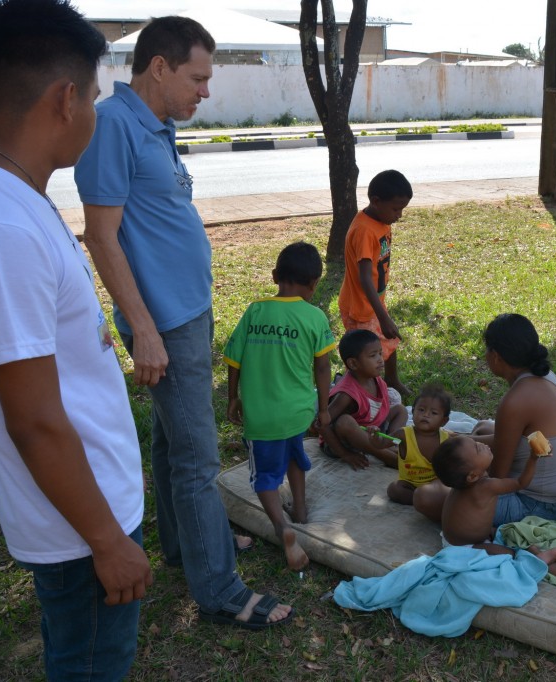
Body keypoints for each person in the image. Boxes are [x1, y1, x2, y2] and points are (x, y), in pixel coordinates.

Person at [0, 1, 152, 677]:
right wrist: (104, 539)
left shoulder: (3, 197)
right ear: (67, 100)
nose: (93, 112)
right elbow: (33, 418)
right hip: (79, 530)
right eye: (92, 97)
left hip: (85, 511)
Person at [74, 16, 292, 628]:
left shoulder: (159, 124)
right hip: (163, 322)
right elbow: (101, 234)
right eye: (197, 77)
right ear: (160, 67)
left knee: (173, 443)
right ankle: (220, 590)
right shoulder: (114, 125)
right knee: (198, 457)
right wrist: (143, 329)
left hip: (187, 313)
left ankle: (183, 546)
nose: (206, 91)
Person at [223, 242, 335, 568]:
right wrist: (324, 408)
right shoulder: (315, 317)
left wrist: (233, 397)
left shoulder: (255, 311)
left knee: (265, 477)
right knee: (295, 457)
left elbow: (234, 358)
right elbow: (324, 368)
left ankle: (281, 526)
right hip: (299, 413)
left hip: (261, 417)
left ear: (275, 276)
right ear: (314, 284)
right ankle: (300, 510)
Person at [414, 313, 556, 526]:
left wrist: (452, 471)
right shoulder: (543, 374)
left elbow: (496, 476)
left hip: (540, 507)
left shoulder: (516, 401)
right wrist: (461, 439)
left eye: (486, 350)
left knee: (426, 496)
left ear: (496, 356)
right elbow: (511, 440)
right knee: (481, 428)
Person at [337, 169, 413, 397]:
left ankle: (391, 381)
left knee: (389, 341)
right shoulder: (364, 230)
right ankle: (356, 393)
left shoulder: (381, 220)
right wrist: (383, 316)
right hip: (360, 307)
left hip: (373, 303)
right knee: (366, 355)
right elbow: (363, 278)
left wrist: (381, 312)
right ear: (376, 201)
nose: (399, 215)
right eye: (396, 209)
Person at [433, 436, 544, 554]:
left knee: (506, 533)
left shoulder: (461, 482)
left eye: (475, 442)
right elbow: (520, 483)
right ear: (472, 476)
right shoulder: (485, 486)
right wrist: (533, 458)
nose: (482, 444)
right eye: (478, 449)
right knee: (510, 554)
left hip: (453, 537)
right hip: (466, 547)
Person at [320, 329, 408, 469]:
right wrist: (345, 454)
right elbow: (321, 424)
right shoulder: (346, 394)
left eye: (380, 353)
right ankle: (387, 456)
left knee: (400, 410)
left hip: (372, 429)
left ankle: (390, 445)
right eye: (373, 356)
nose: (380, 359)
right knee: (345, 422)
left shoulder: (375, 379)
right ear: (353, 364)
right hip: (346, 442)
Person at [387, 383, 452, 505]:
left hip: (434, 483)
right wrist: (374, 435)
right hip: (409, 484)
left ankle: (427, 499)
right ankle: (420, 500)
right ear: (413, 412)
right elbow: (380, 444)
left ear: (444, 421)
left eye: (433, 413)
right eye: (421, 410)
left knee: (446, 485)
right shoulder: (403, 434)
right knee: (394, 489)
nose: (426, 415)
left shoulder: (445, 439)